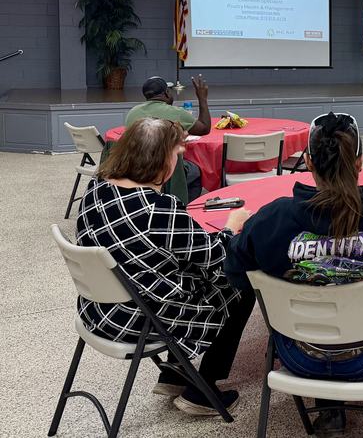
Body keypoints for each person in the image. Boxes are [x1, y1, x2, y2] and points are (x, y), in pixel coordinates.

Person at [225, 112, 363, 438]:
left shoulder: (271, 219)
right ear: (360, 162)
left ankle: (329, 413)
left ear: (309, 162)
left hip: (298, 355)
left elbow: (237, 277)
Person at [75, 117, 254, 416]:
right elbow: (218, 256)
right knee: (239, 282)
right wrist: (231, 226)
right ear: (161, 160)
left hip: (99, 309)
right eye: (176, 155)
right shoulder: (157, 208)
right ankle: (202, 390)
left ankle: (173, 373)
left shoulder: (97, 188)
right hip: (137, 321)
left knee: (185, 272)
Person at [125, 75, 211, 201]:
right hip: (165, 166)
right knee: (195, 170)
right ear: (166, 93)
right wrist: (202, 98)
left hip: (137, 165)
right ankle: (184, 207)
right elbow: (204, 128)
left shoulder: (132, 112)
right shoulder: (176, 113)